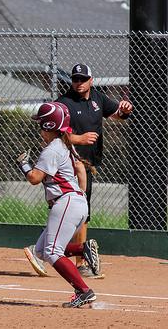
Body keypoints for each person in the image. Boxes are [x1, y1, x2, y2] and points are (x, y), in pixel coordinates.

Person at [17, 102, 101, 308]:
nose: (39, 130)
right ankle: (83, 250)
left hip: (66, 202)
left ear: (48, 127)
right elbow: (80, 168)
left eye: (41, 125)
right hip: (74, 201)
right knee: (42, 251)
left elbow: (35, 178)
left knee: (53, 252)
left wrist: (23, 164)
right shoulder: (64, 145)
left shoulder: (53, 149)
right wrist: (81, 193)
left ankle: (84, 291)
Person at [57, 63, 133, 276]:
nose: (79, 83)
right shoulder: (63, 103)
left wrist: (124, 111)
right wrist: (77, 138)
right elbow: (51, 132)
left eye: (83, 79)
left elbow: (115, 114)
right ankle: (80, 262)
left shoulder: (98, 99)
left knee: (75, 213)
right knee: (79, 213)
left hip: (88, 165)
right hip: (70, 165)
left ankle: (45, 249)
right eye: (75, 79)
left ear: (91, 80)